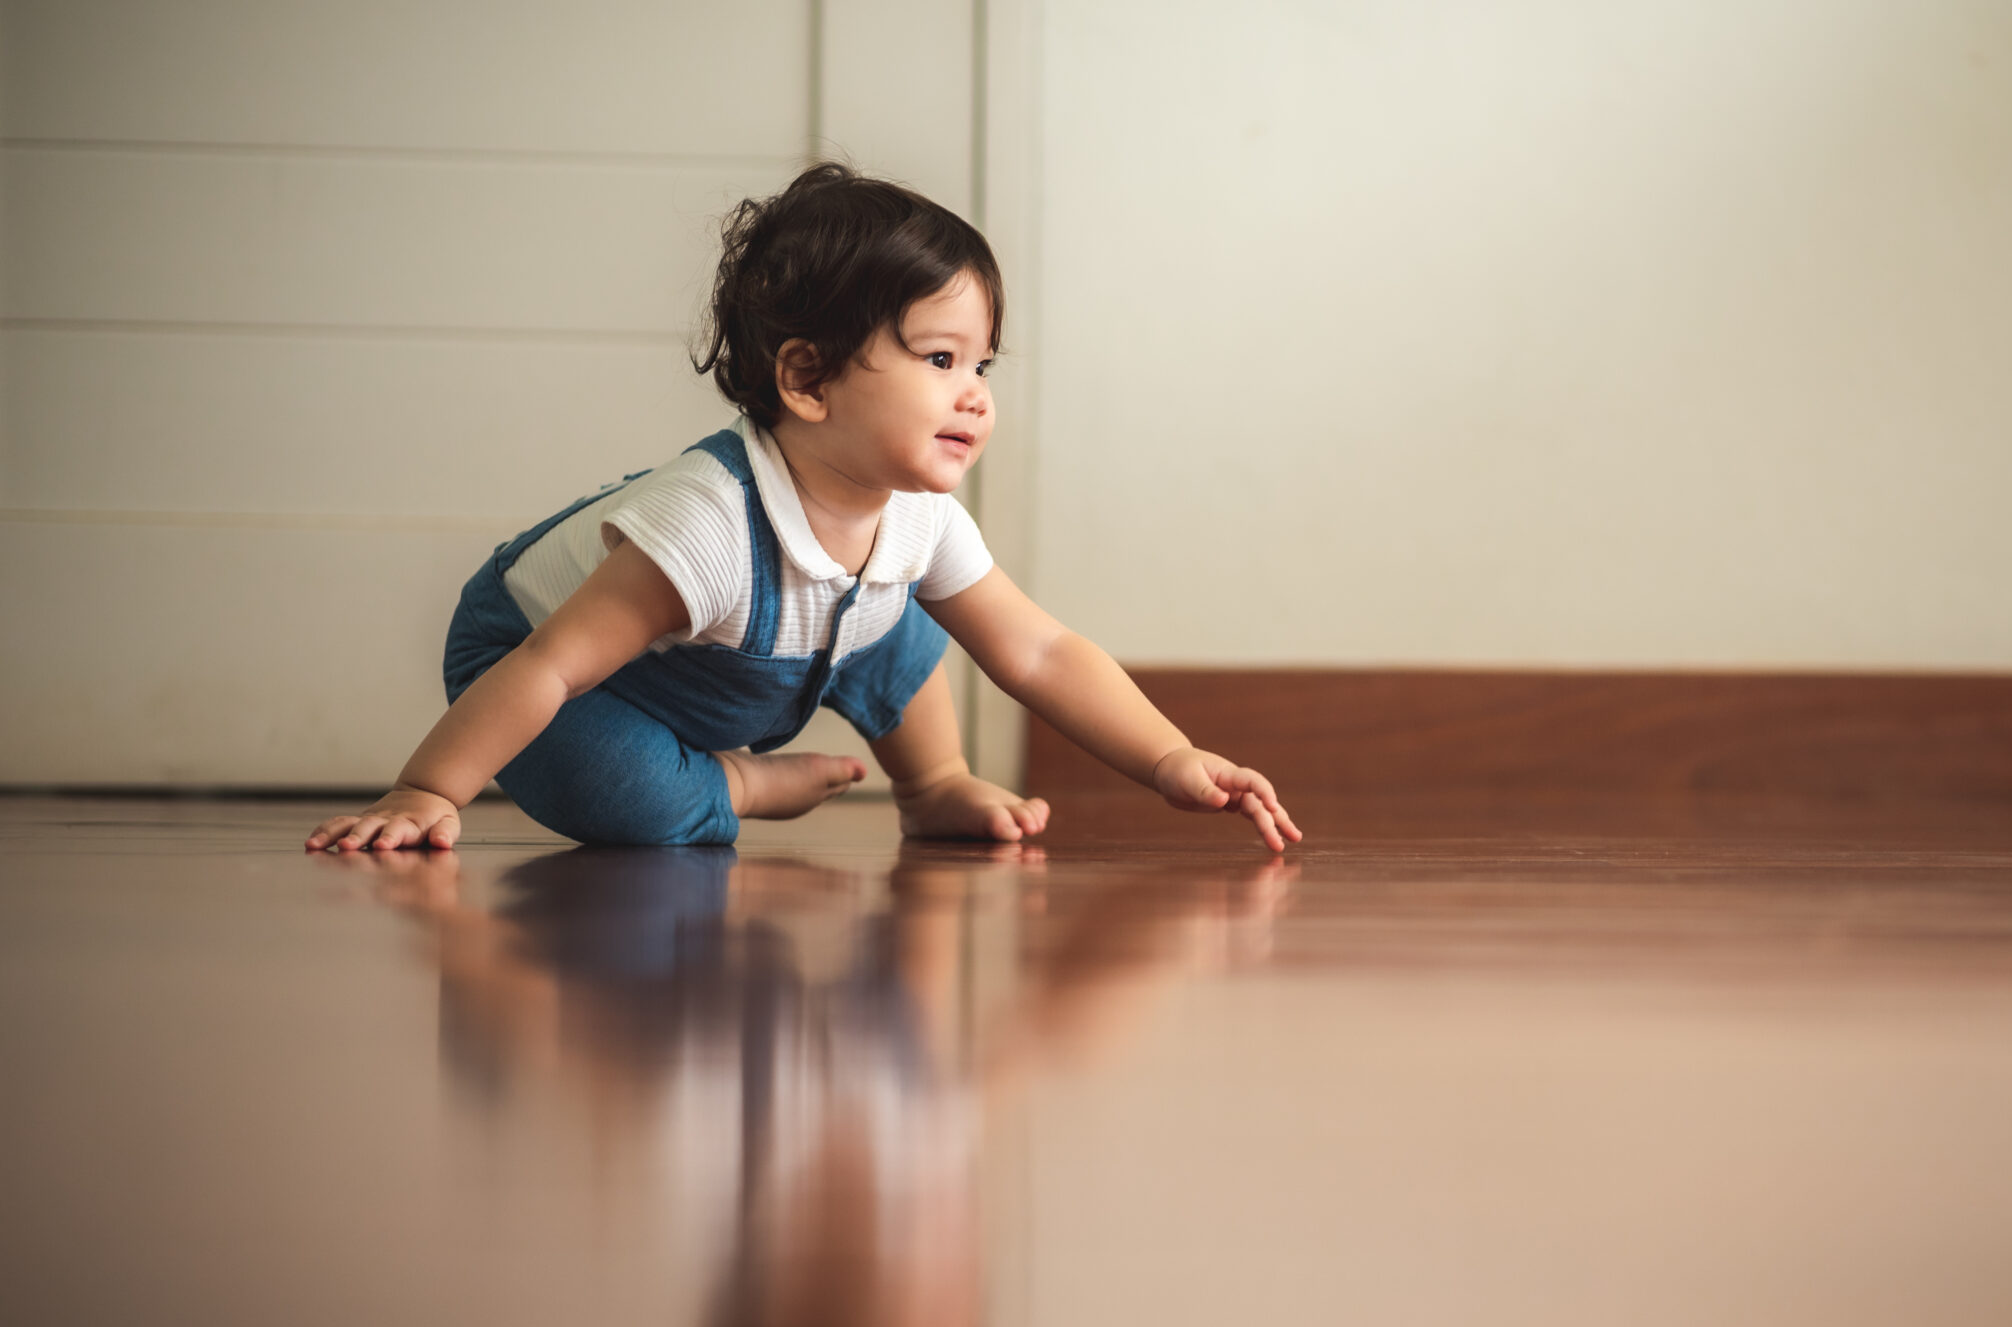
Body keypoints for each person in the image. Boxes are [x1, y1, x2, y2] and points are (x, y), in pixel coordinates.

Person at [308, 164, 1299, 854]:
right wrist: (428, 790)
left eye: (983, 364)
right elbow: (549, 667)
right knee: (615, 788)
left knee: (900, 619)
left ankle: (934, 783)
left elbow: (1037, 652)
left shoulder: (917, 517)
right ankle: (731, 788)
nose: (976, 393)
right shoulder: (705, 529)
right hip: (559, 671)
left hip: (753, 664)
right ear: (808, 379)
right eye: (941, 359)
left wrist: (1169, 756)